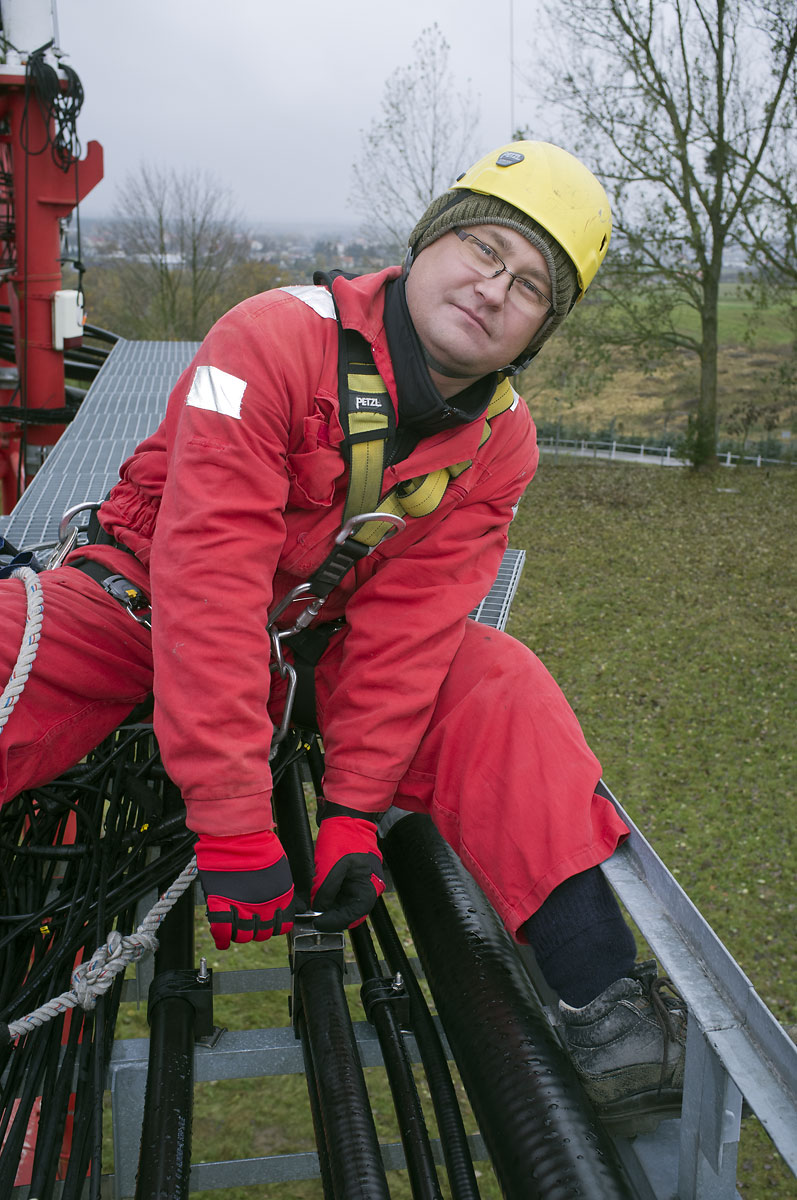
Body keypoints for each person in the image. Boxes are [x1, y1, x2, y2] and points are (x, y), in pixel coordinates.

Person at [0, 141, 684, 1134]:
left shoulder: (497, 444)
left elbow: (411, 629)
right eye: (482, 249)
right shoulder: (271, 338)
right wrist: (235, 819)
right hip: (136, 603)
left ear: (538, 330)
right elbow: (208, 578)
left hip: (302, 651)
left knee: (495, 680)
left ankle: (600, 992)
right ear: (427, 245)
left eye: (530, 286)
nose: (493, 289)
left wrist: (354, 810)